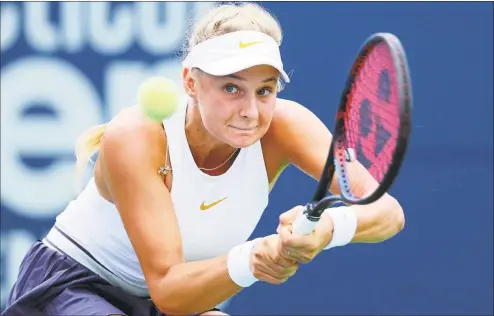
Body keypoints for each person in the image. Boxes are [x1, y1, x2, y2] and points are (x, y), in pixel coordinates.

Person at [2, 2, 405, 316]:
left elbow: (387, 212)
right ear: (190, 83)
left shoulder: (286, 125)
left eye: (264, 90)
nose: (250, 110)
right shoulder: (138, 137)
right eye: (232, 88)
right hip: (75, 286)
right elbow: (170, 291)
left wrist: (328, 229)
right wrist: (253, 258)